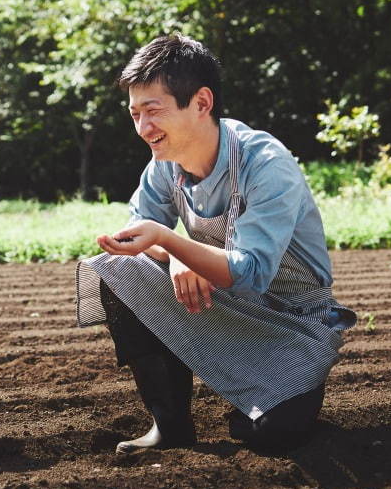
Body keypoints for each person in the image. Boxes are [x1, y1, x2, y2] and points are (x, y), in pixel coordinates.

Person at [77, 34, 355, 455]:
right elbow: (138, 230)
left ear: (202, 103)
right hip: (220, 302)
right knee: (118, 272)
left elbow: (250, 273)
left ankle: (268, 393)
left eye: (153, 111)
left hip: (293, 320)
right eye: (135, 114)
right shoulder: (163, 164)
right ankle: (169, 425)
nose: (143, 128)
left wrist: (171, 241)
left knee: (272, 436)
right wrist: (173, 254)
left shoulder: (265, 163)